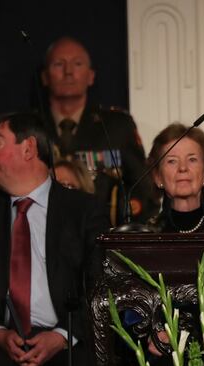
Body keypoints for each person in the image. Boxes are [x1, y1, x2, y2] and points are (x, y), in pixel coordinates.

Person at [0, 112, 108, 366]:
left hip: (67, 336)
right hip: (3, 339)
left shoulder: (84, 210)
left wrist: (63, 336)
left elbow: (99, 286)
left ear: (28, 148)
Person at [41, 36, 153, 225]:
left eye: (77, 64)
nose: (68, 72)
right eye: (59, 64)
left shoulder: (116, 126)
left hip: (103, 236)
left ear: (91, 75)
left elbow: (141, 187)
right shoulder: (30, 127)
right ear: (44, 76)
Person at [146, 123, 204, 233]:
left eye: (192, 160)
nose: (182, 168)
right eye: (172, 161)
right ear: (158, 177)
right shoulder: (146, 235)